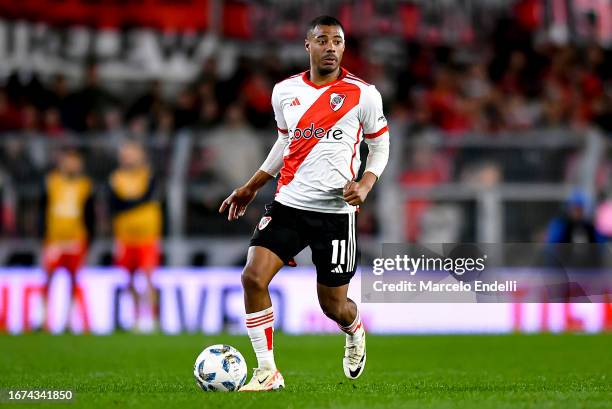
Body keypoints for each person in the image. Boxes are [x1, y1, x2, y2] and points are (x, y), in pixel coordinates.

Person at [219, 16, 390, 391]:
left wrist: (366, 183)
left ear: (344, 48)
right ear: (307, 46)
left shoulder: (364, 94)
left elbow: (379, 145)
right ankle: (267, 371)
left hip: (336, 214)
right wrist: (251, 186)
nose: (331, 47)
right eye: (323, 40)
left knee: (334, 306)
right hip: (289, 204)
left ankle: (354, 328)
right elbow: (286, 143)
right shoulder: (284, 92)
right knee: (252, 276)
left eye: (338, 41)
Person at [109, 141, 162, 332]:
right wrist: (135, 203)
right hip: (125, 237)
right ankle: (137, 316)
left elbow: (143, 198)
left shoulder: (149, 175)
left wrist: (128, 203)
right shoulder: (116, 178)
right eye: (125, 153)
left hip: (147, 237)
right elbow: (115, 204)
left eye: (131, 152)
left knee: (148, 276)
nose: (128, 157)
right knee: (129, 279)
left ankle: (154, 317)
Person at [40, 149, 94, 332]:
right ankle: (44, 318)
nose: (72, 165)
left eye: (75, 162)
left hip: (76, 240)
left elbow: (90, 215)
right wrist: (43, 236)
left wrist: (89, 240)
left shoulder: (85, 185)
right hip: (54, 240)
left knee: (73, 280)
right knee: (48, 278)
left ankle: (69, 320)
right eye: (69, 161)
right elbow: (43, 209)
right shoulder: (51, 182)